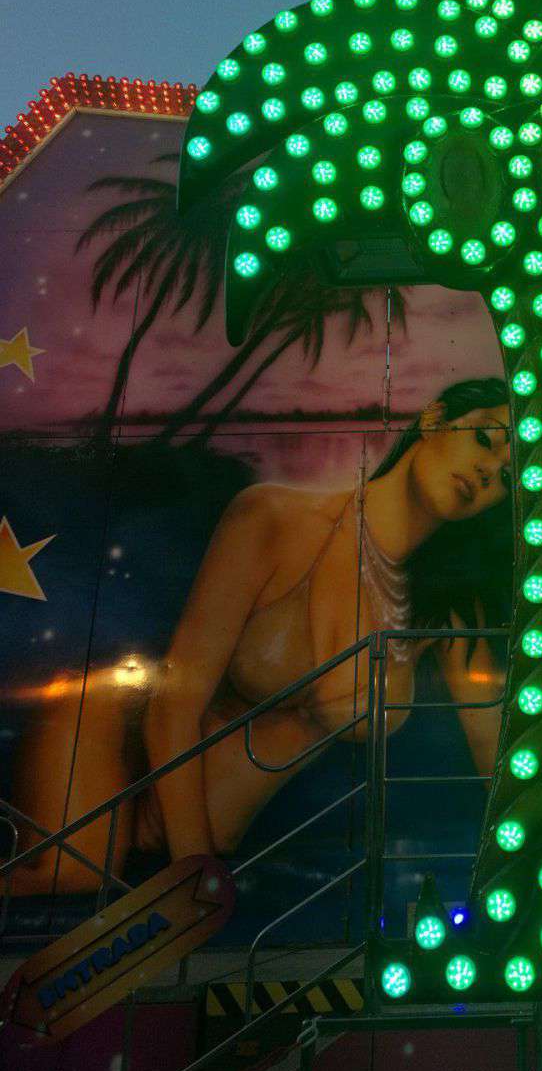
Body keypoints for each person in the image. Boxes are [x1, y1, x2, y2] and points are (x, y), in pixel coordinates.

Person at [11, 378, 513, 893]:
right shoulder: (274, 518)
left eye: (504, 476)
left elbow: (493, 748)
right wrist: (197, 874)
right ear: (433, 420)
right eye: (483, 439)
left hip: (204, 856)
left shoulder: (440, 612)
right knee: (71, 880)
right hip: (113, 747)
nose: (486, 471)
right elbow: (173, 705)